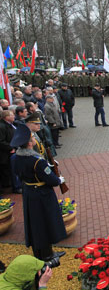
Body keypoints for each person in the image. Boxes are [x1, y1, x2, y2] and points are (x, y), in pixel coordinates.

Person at [10, 123, 67, 260]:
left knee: (35, 224)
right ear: (30, 144)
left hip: (29, 192)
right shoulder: (37, 161)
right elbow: (52, 180)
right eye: (32, 138)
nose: (34, 139)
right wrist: (59, 180)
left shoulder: (15, 158)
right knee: (45, 223)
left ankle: (39, 252)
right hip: (43, 194)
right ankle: (47, 254)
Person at [0, 110, 17, 193]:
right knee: (8, 170)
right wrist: (10, 148)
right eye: (11, 115)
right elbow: (1, 141)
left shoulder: (10, 125)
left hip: (11, 150)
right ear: (6, 117)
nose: (14, 116)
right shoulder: (2, 126)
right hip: (6, 153)